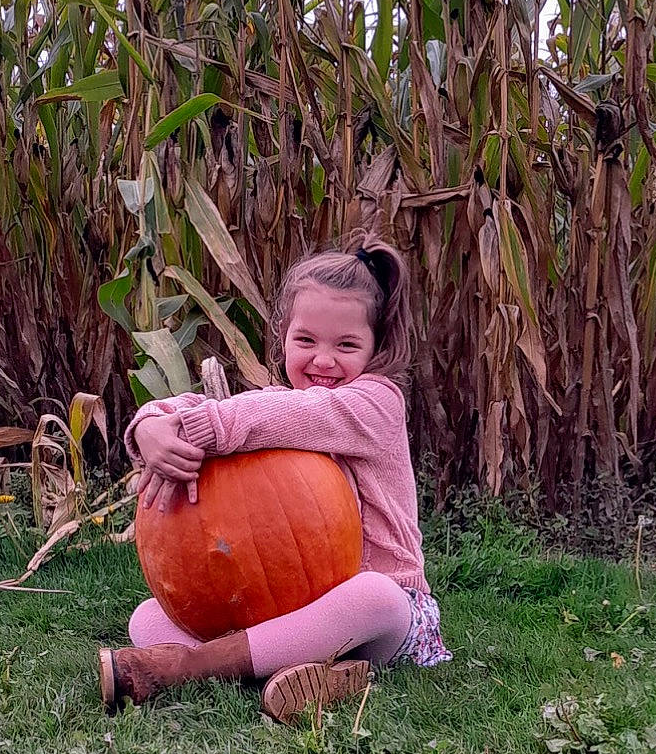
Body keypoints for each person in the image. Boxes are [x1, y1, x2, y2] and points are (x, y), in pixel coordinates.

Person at [99, 237, 450, 720]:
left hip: (380, 620)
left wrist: (203, 426)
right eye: (305, 341)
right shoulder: (276, 408)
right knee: (148, 616)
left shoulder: (376, 404)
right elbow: (262, 410)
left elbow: (287, 413)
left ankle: (193, 666)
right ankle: (305, 671)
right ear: (283, 336)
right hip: (284, 614)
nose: (323, 360)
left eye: (346, 345)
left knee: (378, 598)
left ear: (376, 348)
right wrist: (153, 426)